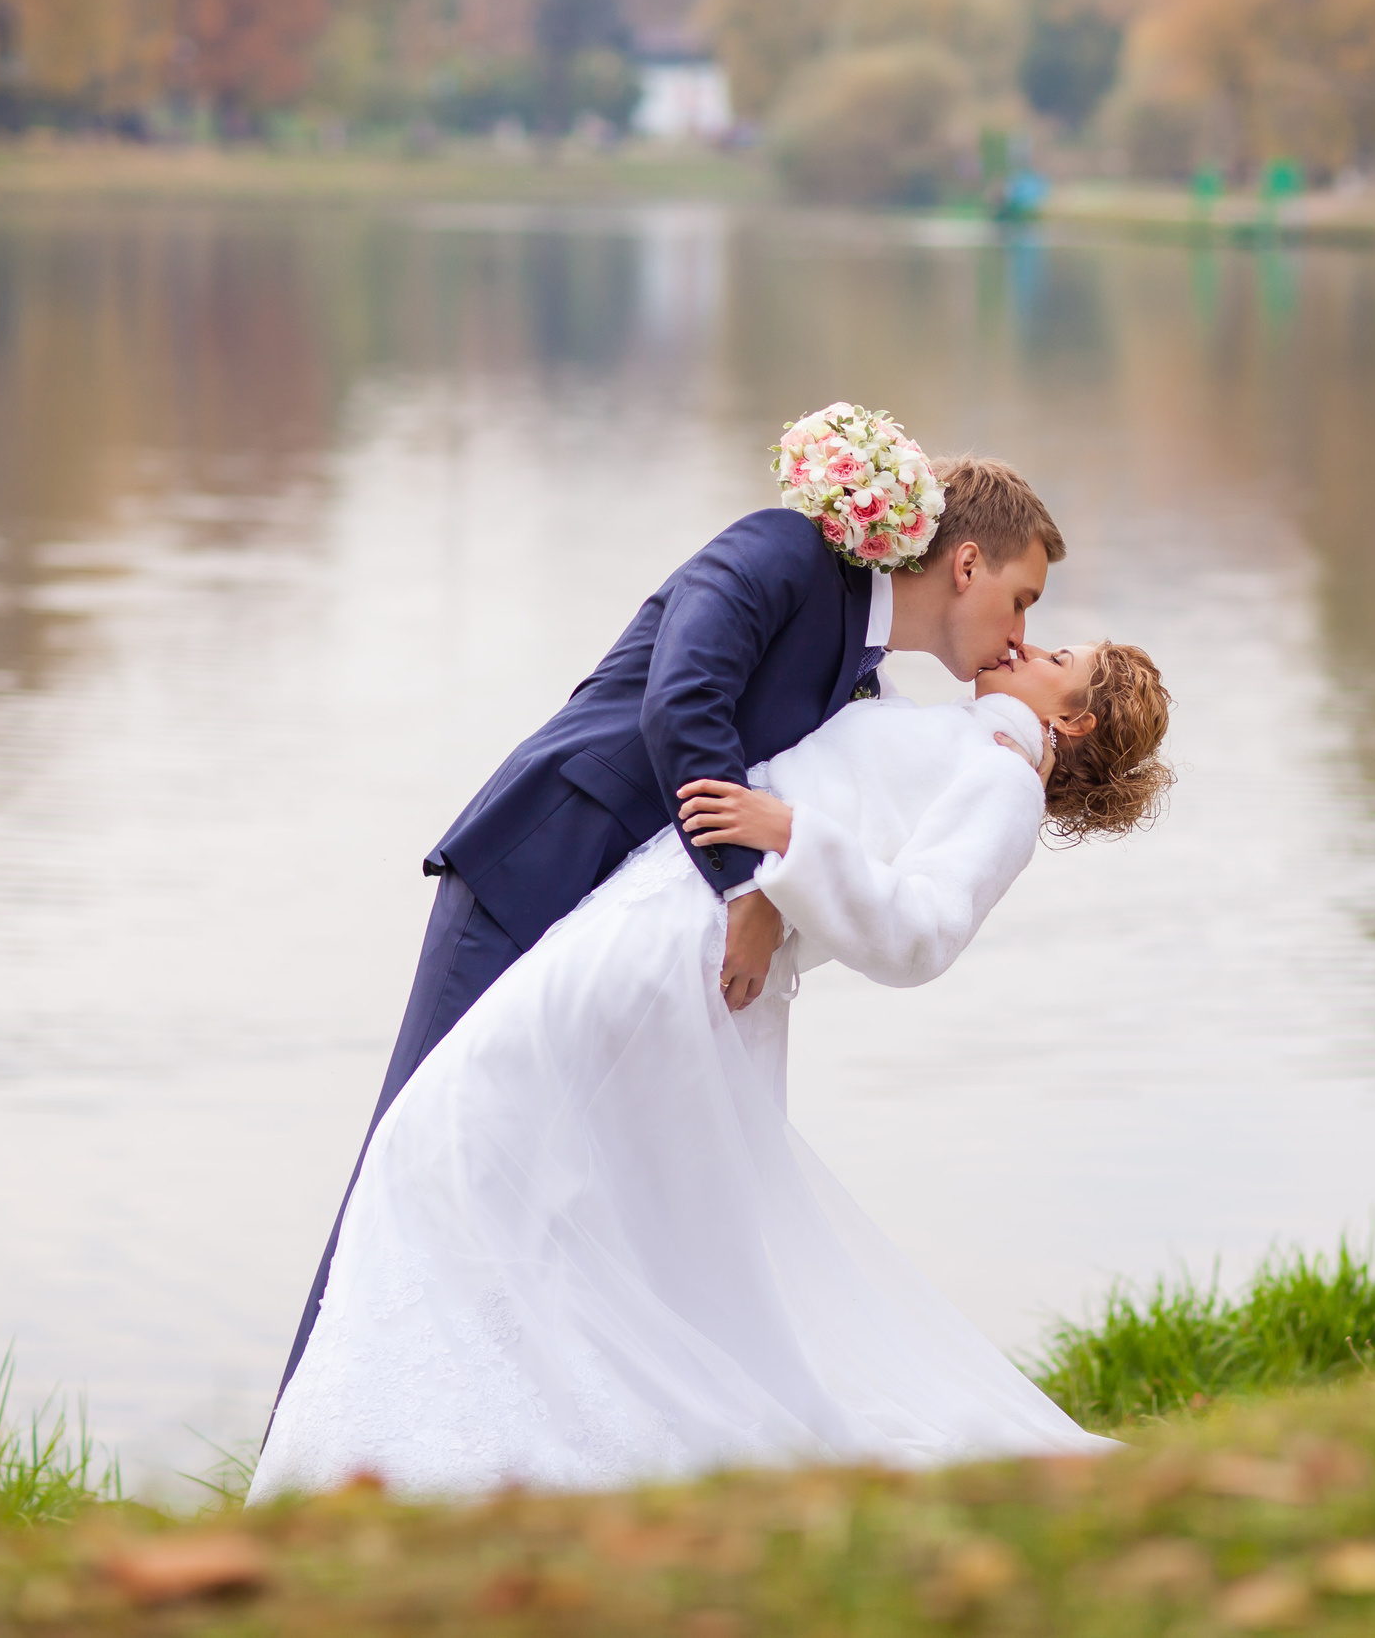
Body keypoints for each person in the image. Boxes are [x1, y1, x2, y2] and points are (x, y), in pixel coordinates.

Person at [250, 639, 1172, 1497]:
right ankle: (492, 1440)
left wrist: (789, 840)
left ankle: (453, 1449)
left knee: (440, 1132)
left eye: (1058, 656)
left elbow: (920, 933)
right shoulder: (957, 731)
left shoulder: (1006, 778)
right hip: (658, 916)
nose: (1026, 642)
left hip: (683, 954)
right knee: (535, 1180)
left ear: (1075, 721)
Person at [273, 452, 1067, 1416]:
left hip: (621, 929)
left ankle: (483, 1431)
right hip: (538, 867)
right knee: (414, 1154)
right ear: (969, 564)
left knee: (553, 1195)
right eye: (1021, 598)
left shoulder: (866, 674)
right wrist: (745, 890)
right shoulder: (783, 550)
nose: (1021, 633)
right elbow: (680, 699)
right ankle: (304, 1439)